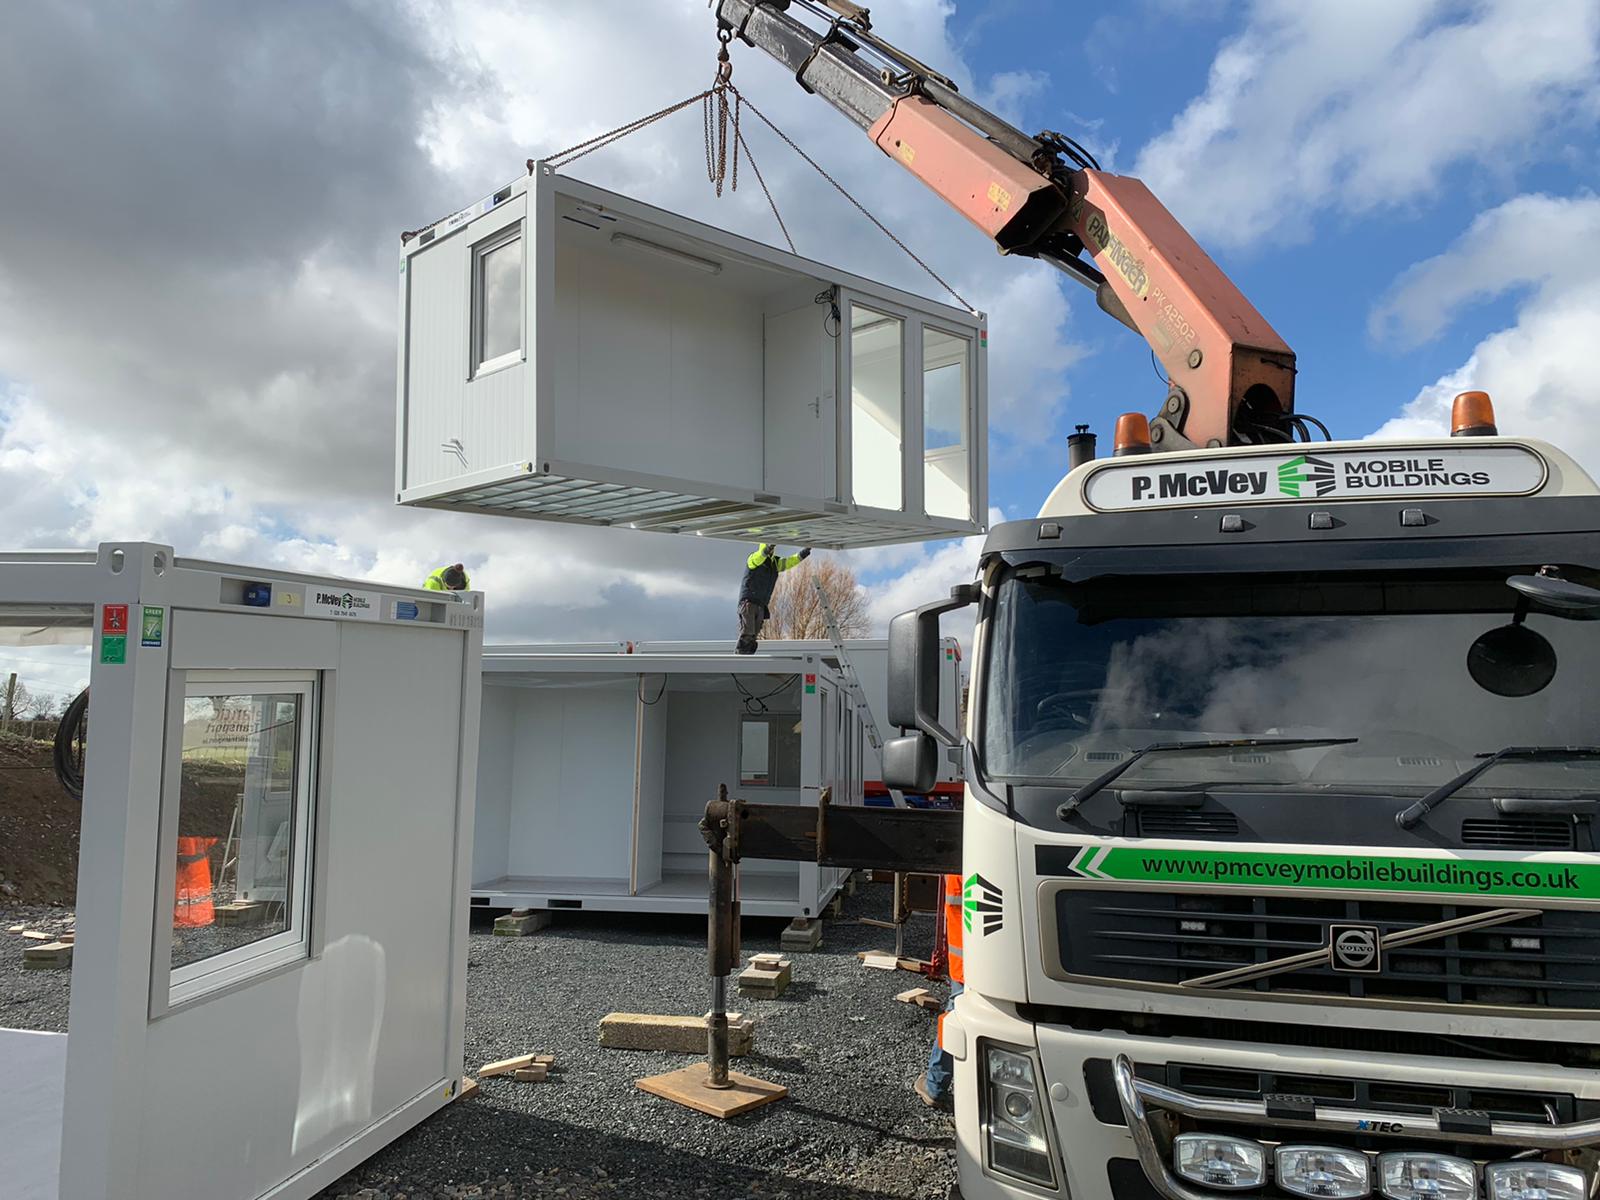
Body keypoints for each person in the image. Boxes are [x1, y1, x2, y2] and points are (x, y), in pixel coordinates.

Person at [916, 872, 964, 1109]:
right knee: (958, 1014)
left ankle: (935, 1085)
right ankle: (935, 1085)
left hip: (966, 965)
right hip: (978, 965)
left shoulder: (958, 867)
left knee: (958, 1013)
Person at [735, 542, 810, 654]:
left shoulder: (775, 562)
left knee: (753, 637)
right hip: (748, 603)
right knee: (747, 634)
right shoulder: (753, 558)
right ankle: (739, 659)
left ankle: (747, 658)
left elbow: (789, 562)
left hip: (761, 605)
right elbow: (759, 557)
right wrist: (766, 549)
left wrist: (804, 553)